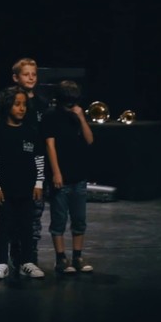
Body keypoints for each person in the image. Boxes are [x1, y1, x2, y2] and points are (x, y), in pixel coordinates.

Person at [0, 86, 46, 280]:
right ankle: (2, 262)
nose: (21, 108)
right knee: (5, 224)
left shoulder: (31, 132)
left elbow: (39, 159)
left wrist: (39, 183)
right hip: (5, 188)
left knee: (26, 225)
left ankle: (26, 261)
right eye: (16, 104)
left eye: (24, 105)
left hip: (27, 188)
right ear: (7, 106)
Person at [44, 80, 95, 274]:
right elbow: (50, 145)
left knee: (79, 219)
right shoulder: (51, 116)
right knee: (59, 219)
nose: (70, 105)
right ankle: (60, 259)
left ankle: (77, 257)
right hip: (61, 177)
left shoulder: (77, 115)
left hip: (79, 176)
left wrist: (81, 118)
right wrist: (56, 172)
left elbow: (89, 140)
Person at [11, 58, 50, 269]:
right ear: (16, 77)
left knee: (35, 212)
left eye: (33, 74)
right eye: (26, 74)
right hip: (16, 162)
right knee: (14, 212)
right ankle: (15, 252)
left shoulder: (42, 103)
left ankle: (30, 253)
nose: (31, 78)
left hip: (36, 162)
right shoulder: (10, 101)